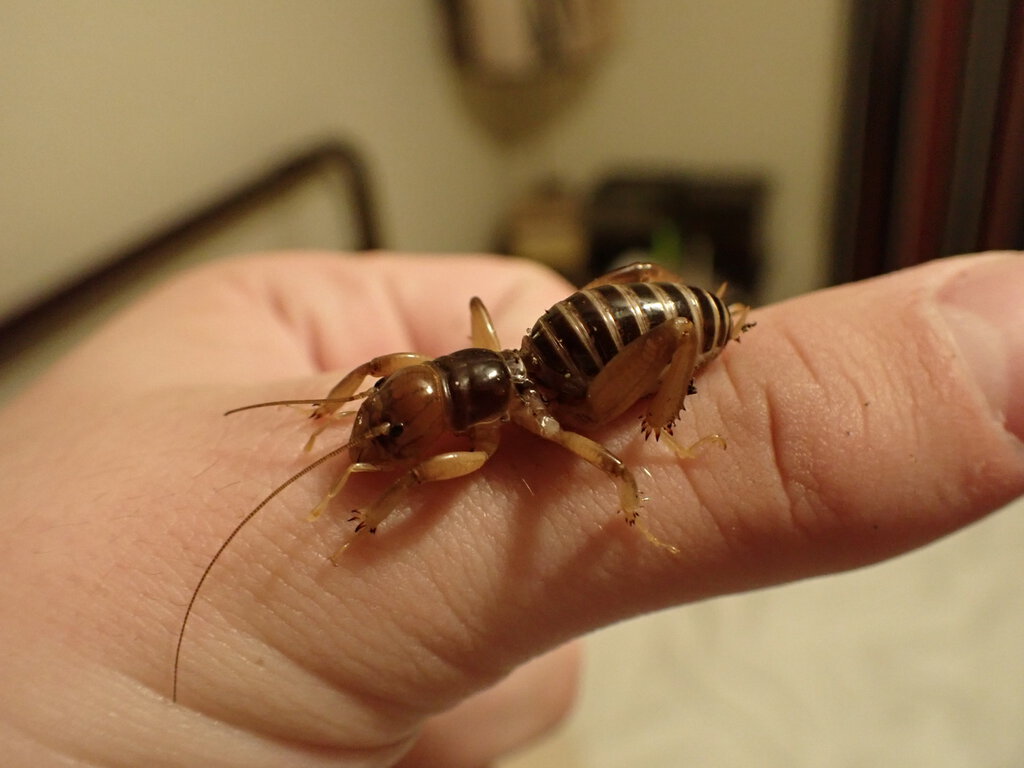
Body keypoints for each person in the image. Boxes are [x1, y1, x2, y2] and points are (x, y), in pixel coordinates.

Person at [0, 251, 1020, 767]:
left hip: (628, 354)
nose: (394, 431)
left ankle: (688, 383)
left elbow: (573, 455)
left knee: (611, 451)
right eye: (398, 418)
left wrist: (634, 479)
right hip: (585, 328)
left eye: (400, 425)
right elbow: (395, 375)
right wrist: (347, 418)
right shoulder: (463, 376)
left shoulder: (515, 425)